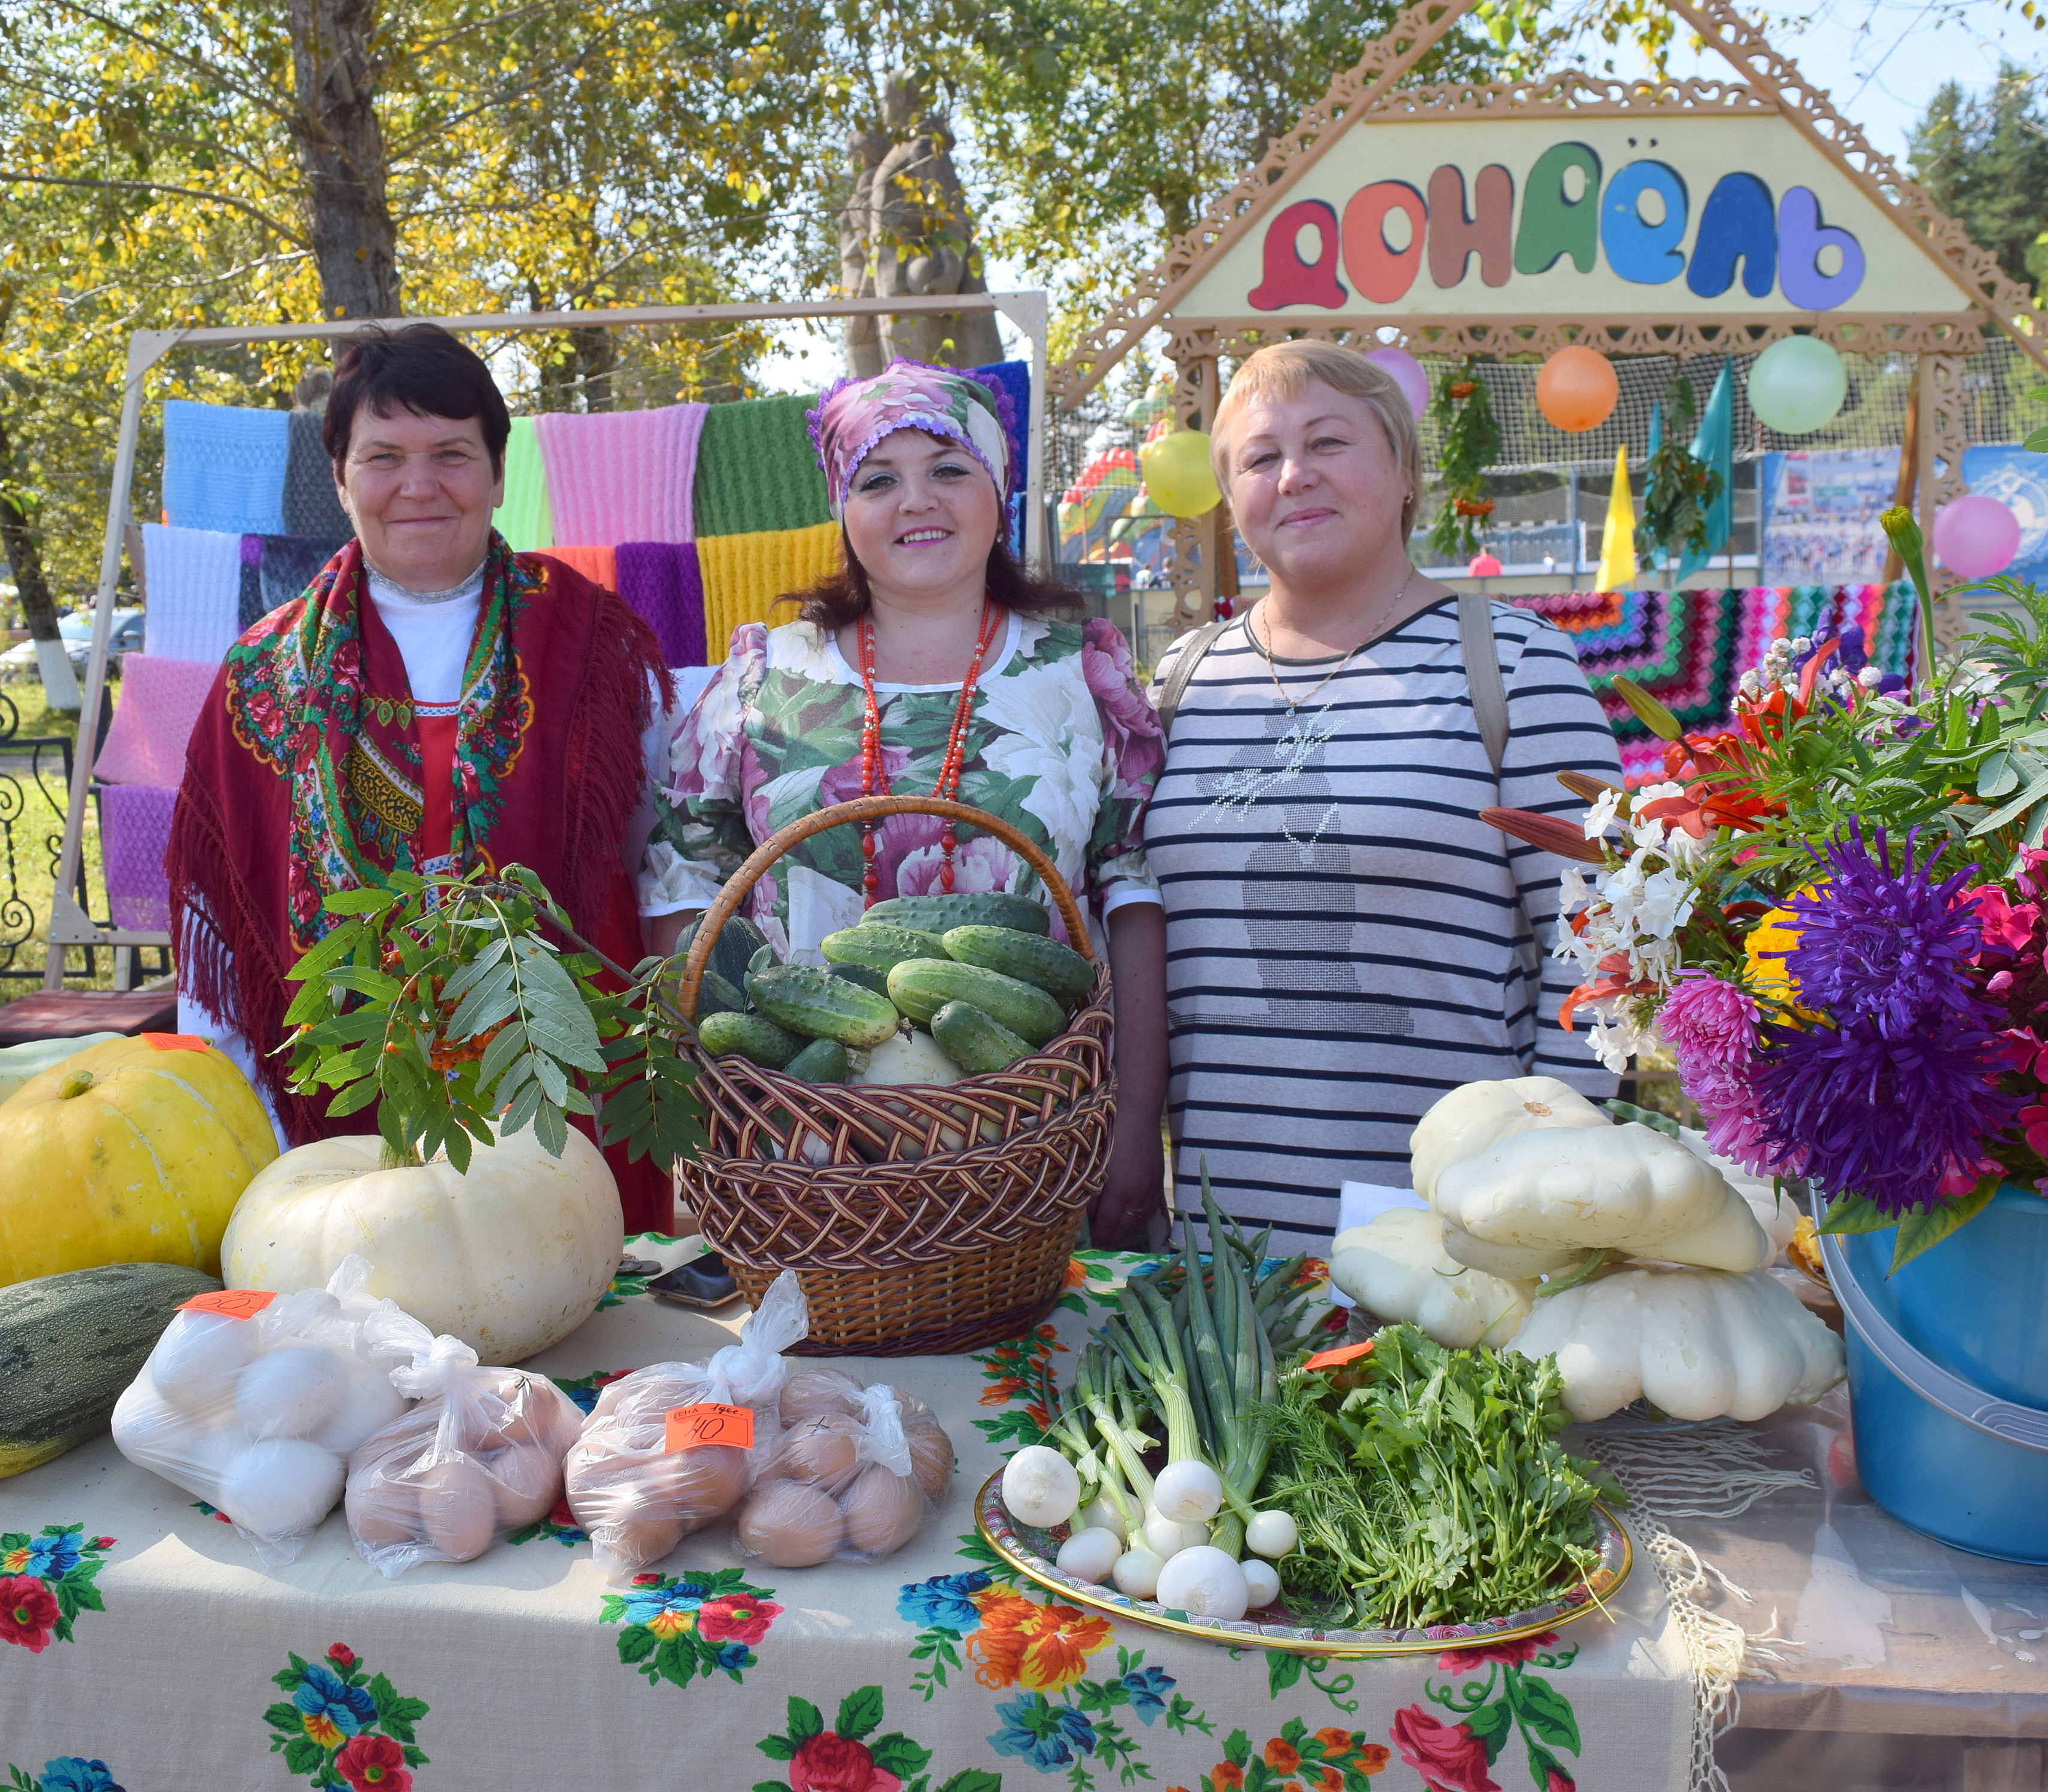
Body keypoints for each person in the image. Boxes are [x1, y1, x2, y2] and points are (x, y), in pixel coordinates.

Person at [167, 322, 674, 1229]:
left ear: (497, 469)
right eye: (383, 457)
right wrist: (235, 1123)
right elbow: (223, 914)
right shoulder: (262, 670)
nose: (419, 486)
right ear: (339, 476)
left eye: (451, 453)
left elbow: (654, 855)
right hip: (354, 1102)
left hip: (562, 1082)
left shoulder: (591, 638)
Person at [642, 360, 1167, 1233]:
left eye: (950, 469)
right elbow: (683, 894)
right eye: (878, 479)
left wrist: (1137, 1122)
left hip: (1036, 1143)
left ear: (999, 491)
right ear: (844, 510)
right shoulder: (766, 677)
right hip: (798, 1150)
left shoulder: (1081, 672)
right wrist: (710, 1112)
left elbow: (1135, 901)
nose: (916, 500)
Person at [1135, 341, 1620, 1250]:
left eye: (1329, 443)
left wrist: (1553, 1190)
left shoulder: (1511, 663)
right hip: (1220, 1250)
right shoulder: (1184, 681)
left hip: (1454, 1244)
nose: (1294, 477)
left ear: (1403, 471)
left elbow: (1598, 946)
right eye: (1260, 457)